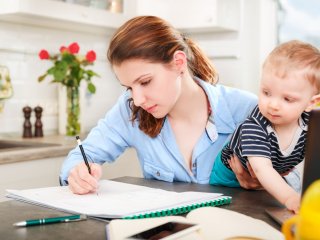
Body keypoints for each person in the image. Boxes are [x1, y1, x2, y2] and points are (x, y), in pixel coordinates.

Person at [60, 15, 282, 194]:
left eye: (145, 82)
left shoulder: (248, 110)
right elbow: (81, 155)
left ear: (178, 63)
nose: (137, 99)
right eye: (129, 87)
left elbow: (298, 182)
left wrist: (268, 183)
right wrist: (77, 173)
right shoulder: (131, 109)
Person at [210, 40, 320, 213]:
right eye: (266, 93)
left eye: (287, 99)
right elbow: (262, 169)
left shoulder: (311, 123)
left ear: (312, 103)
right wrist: (290, 198)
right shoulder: (254, 127)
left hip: (270, 174)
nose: (273, 105)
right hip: (229, 181)